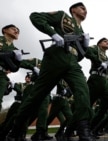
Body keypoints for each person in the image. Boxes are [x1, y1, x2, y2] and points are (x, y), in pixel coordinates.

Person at [6, 2, 95, 141]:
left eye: (86, 9)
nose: (85, 10)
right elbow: (35, 16)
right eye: (82, 8)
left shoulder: (81, 31)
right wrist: (53, 34)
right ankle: (16, 129)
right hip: (55, 57)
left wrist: (84, 45)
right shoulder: (62, 16)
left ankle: (84, 130)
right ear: (73, 10)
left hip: (72, 62)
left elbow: (80, 56)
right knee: (37, 96)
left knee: (83, 90)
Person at [0, 24, 23, 111]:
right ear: (4, 30)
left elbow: (14, 69)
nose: (16, 31)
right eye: (13, 29)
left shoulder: (15, 49)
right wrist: (7, 55)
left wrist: (18, 60)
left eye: (18, 31)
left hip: (2, 75)